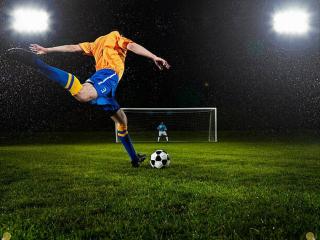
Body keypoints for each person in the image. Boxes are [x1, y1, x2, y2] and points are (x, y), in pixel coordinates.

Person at [7, 31, 170, 167]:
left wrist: (48, 49)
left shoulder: (94, 44)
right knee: (83, 94)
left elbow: (73, 47)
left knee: (122, 120)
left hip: (106, 90)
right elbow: (132, 45)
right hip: (108, 75)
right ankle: (37, 63)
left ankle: (135, 159)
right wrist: (154, 56)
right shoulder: (115, 36)